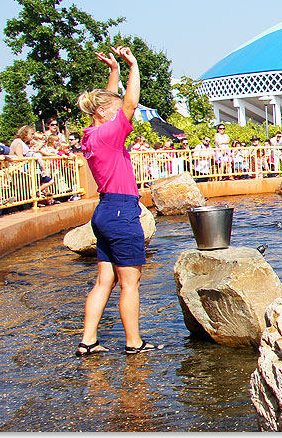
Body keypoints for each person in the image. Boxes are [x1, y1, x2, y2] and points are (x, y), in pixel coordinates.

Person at [75, 45, 161, 356]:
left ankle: (88, 342)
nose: (120, 112)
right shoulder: (111, 135)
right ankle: (134, 343)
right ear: (102, 112)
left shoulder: (90, 135)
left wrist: (114, 72)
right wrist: (132, 65)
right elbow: (130, 101)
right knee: (130, 282)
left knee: (104, 281)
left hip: (105, 211)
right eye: (113, 110)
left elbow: (109, 100)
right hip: (123, 210)